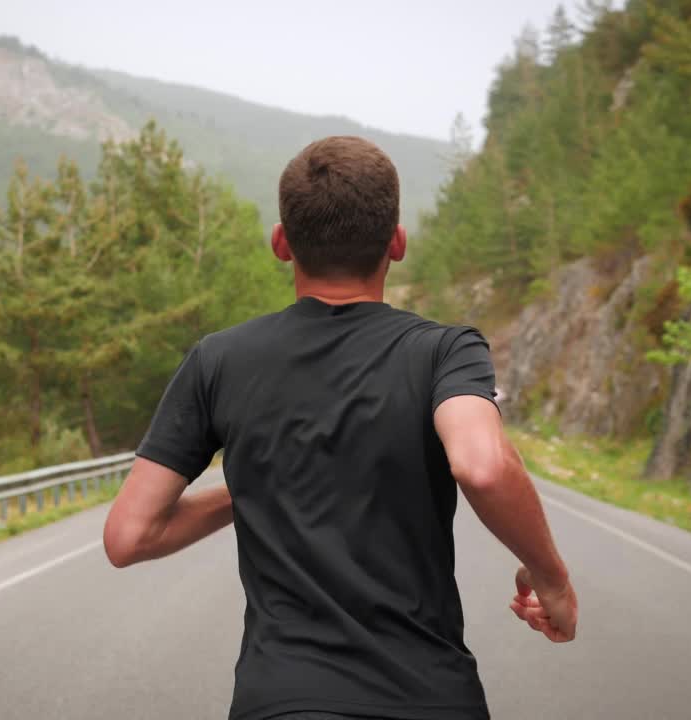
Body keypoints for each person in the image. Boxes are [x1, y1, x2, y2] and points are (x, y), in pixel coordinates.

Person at [102, 136, 577, 720]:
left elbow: (129, 537)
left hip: (279, 701)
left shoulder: (217, 361)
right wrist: (551, 578)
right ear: (397, 243)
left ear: (281, 243)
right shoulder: (444, 352)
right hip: (427, 697)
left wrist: (249, 487)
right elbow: (480, 464)